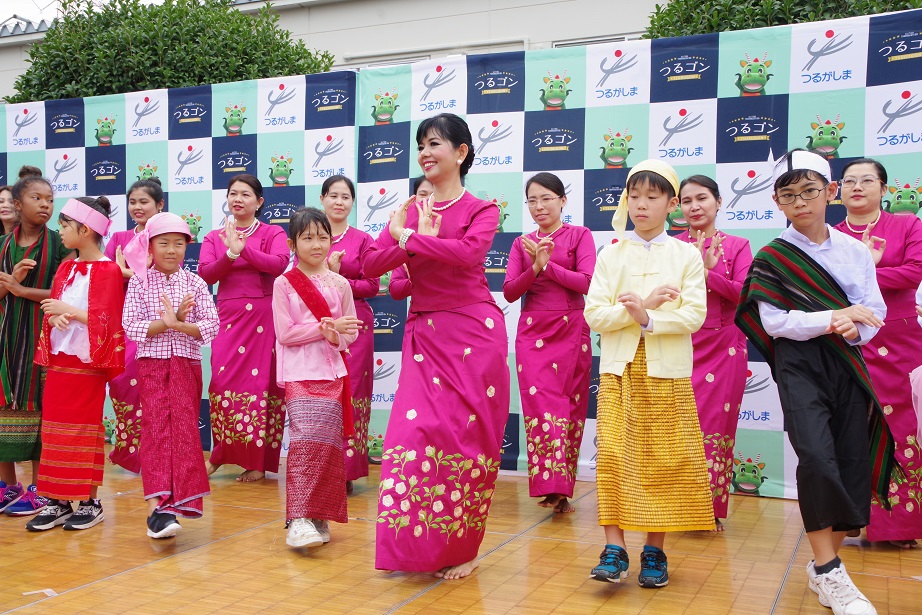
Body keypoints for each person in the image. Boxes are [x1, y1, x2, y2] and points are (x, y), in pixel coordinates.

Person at [736, 149, 898, 615]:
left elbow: (874, 312)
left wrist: (855, 326)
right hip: (800, 364)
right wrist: (834, 317)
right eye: (789, 195)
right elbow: (774, 322)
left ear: (830, 192)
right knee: (816, 457)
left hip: (847, 363)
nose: (800, 202)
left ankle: (825, 564)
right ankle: (830, 574)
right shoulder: (773, 256)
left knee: (850, 462)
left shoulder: (854, 252)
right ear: (777, 201)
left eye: (810, 191)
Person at [364, 113, 509, 580]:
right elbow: (371, 266)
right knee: (411, 438)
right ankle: (412, 548)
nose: (426, 153)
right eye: (421, 145)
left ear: (461, 152)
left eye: (435, 144)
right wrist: (405, 236)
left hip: (472, 333)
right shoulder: (409, 210)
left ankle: (462, 549)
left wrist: (410, 238)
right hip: (424, 336)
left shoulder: (483, 209)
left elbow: (468, 254)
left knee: (464, 442)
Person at [584, 159, 712, 589]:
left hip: (667, 373)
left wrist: (649, 319)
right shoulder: (611, 254)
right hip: (620, 370)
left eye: (652, 197)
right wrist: (636, 308)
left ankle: (654, 551)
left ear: (672, 204)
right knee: (615, 456)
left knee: (664, 461)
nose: (641, 205)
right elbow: (593, 314)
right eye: (633, 195)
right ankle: (614, 548)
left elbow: (695, 314)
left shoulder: (687, 254)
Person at [833, 158, 922, 549]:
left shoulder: (907, 225)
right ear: (837, 191)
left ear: (884, 189)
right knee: (850, 428)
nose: (858, 187)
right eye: (849, 181)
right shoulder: (830, 235)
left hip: (900, 341)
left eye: (867, 180)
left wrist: (868, 270)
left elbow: (914, 271)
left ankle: (899, 526)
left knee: (901, 427)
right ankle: (852, 517)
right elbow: (827, 288)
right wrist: (861, 272)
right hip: (849, 340)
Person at [27, 197, 125, 531]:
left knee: (83, 431)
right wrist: (54, 319)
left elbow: (110, 323)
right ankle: (56, 499)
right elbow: (56, 311)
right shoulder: (66, 268)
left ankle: (89, 500)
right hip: (61, 361)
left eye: (66, 225)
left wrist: (66, 312)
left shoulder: (110, 269)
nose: (61, 231)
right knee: (54, 430)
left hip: (88, 364)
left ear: (85, 229)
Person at [122, 212, 219, 538]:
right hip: (151, 367)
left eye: (179, 244)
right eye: (164, 243)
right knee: (156, 431)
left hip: (186, 367)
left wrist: (180, 324)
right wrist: (168, 323)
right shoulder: (138, 281)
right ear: (150, 246)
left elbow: (211, 325)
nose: (172, 250)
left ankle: (176, 503)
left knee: (185, 431)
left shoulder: (195, 282)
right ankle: (157, 508)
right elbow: (131, 327)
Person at [502, 172, 595, 514]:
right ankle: (550, 486)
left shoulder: (579, 235)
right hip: (532, 332)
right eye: (532, 201)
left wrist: (547, 266)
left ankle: (562, 488)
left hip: (571, 328)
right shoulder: (520, 243)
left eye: (546, 198)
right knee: (540, 408)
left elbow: (587, 282)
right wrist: (535, 268)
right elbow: (511, 291)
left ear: (562, 201)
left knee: (568, 408)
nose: (539, 206)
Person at [273, 207, 361, 548]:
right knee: (304, 443)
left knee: (326, 448)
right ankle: (297, 519)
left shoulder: (340, 283)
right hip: (299, 372)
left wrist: (336, 334)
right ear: (294, 243)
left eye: (323, 237)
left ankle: (318, 516)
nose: (317, 244)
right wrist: (325, 328)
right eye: (308, 238)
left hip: (332, 372)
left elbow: (349, 333)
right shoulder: (284, 283)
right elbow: (285, 333)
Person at [676, 175, 753, 531]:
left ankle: (708, 509)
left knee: (715, 426)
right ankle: (676, 505)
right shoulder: (670, 247)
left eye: (701, 198)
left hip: (724, 348)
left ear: (718, 202)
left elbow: (744, 295)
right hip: (677, 344)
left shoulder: (738, 246)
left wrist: (706, 273)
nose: (694, 207)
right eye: (686, 200)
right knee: (677, 428)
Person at [199, 174, 288, 482]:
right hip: (229, 315)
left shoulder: (272, 231)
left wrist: (244, 249)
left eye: (245, 194)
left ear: (259, 201)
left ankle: (256, 463)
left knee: (261, 385)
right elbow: (207, 275)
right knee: (221, 384)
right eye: (233, 193)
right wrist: (231, 252)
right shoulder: (214, 236)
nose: (238, 199)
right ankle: (220, 455)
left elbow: (278, 264)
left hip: (264, 316)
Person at [0, 175, 72, 516]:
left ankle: (39, 488)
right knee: (4, 408)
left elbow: (66, 294)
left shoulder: (59, 244)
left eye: (50, 199)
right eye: (37, 198)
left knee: (42, 411)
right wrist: (10, 281)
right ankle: (7, 486)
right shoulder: (2, 245)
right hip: (5, 341)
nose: (45, 204)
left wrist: (21, 290)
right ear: (18, 205)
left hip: (45, 338)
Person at [319, 175, 379, 493]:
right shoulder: (311, 236)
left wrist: (339, 279)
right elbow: (294, 280)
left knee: (351, 394)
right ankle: (321, 467)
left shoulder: (363, 240)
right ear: (322, 199)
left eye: (346, 197)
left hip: (356, 326)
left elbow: (372, 285)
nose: (339, 202)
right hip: (317, 324)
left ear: (353, 203)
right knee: (322, 395)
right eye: (333, 195)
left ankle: (345, 471)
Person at [105, 178, 165, 473]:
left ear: (159, 206)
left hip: (156, 318)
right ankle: (130, 453)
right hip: (124, 321)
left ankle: (157, 454)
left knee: (154, 387)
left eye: (144, 202)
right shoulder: (118, 238)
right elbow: (105, 275)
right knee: (122, 382)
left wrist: (127, 272)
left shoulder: (165, 237)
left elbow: (166, 273)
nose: (137, 207)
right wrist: (121, 273)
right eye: (133, 202)